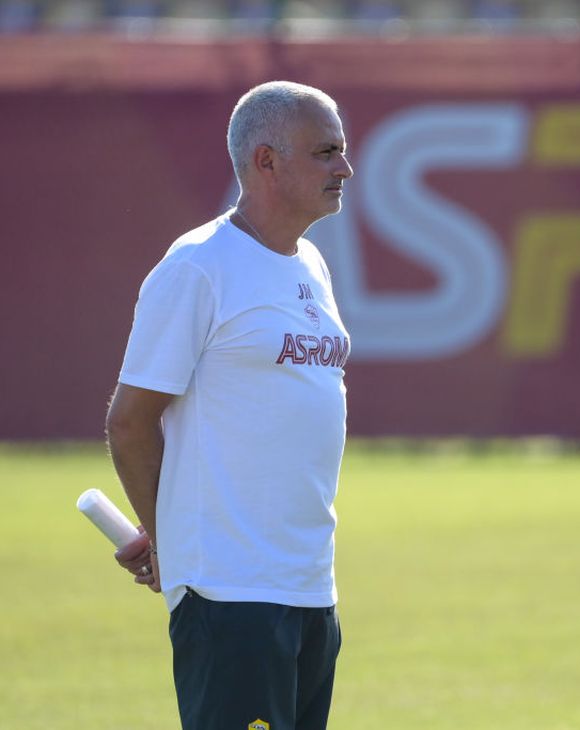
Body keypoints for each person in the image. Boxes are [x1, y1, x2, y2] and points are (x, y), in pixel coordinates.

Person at [106, 80, 354, 730]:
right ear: (266, 160)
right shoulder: (199, 267)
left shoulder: (313, 267)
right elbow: (130, 423)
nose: (345, 168)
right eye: (326, 152)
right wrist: (170, 543)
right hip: (231, 594)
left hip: (309, 588)